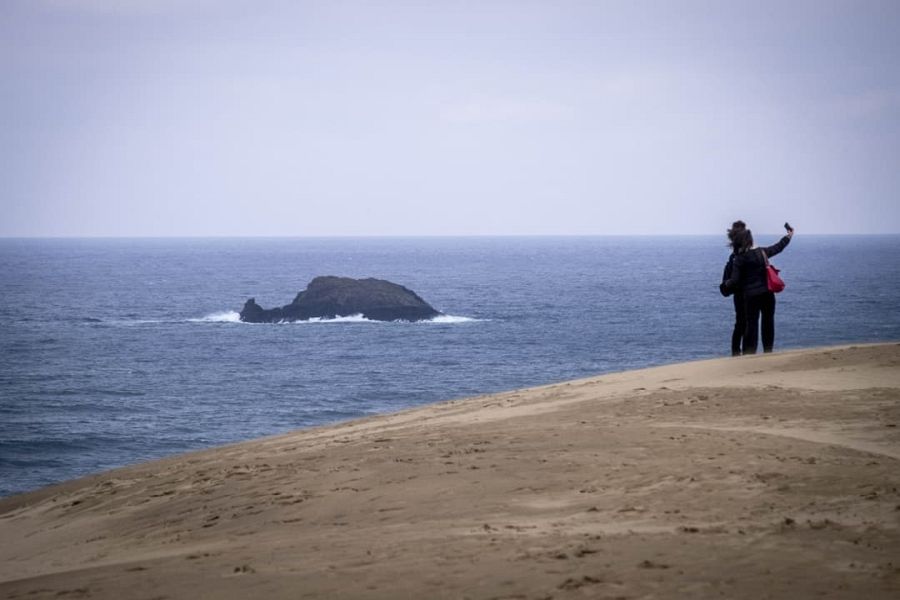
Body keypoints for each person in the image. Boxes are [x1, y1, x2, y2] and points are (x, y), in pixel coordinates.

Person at [723, 225, 794, 354]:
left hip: (751, 297)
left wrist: (725, 284)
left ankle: (750, 355)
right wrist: (788, 236)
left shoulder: (739, 259)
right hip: (768, 294)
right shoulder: (762, 252)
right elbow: (778, 247)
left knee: (752, 325)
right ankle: (768, 352)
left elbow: (734, 280)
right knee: (768, 323)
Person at [720, 220, 747, 356]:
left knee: (741, 323)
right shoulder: (741, 253)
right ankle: (744, 352)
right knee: (745, 323)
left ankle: (736, 352)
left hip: (738, 293)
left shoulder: (734, 255)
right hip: (745, 292)